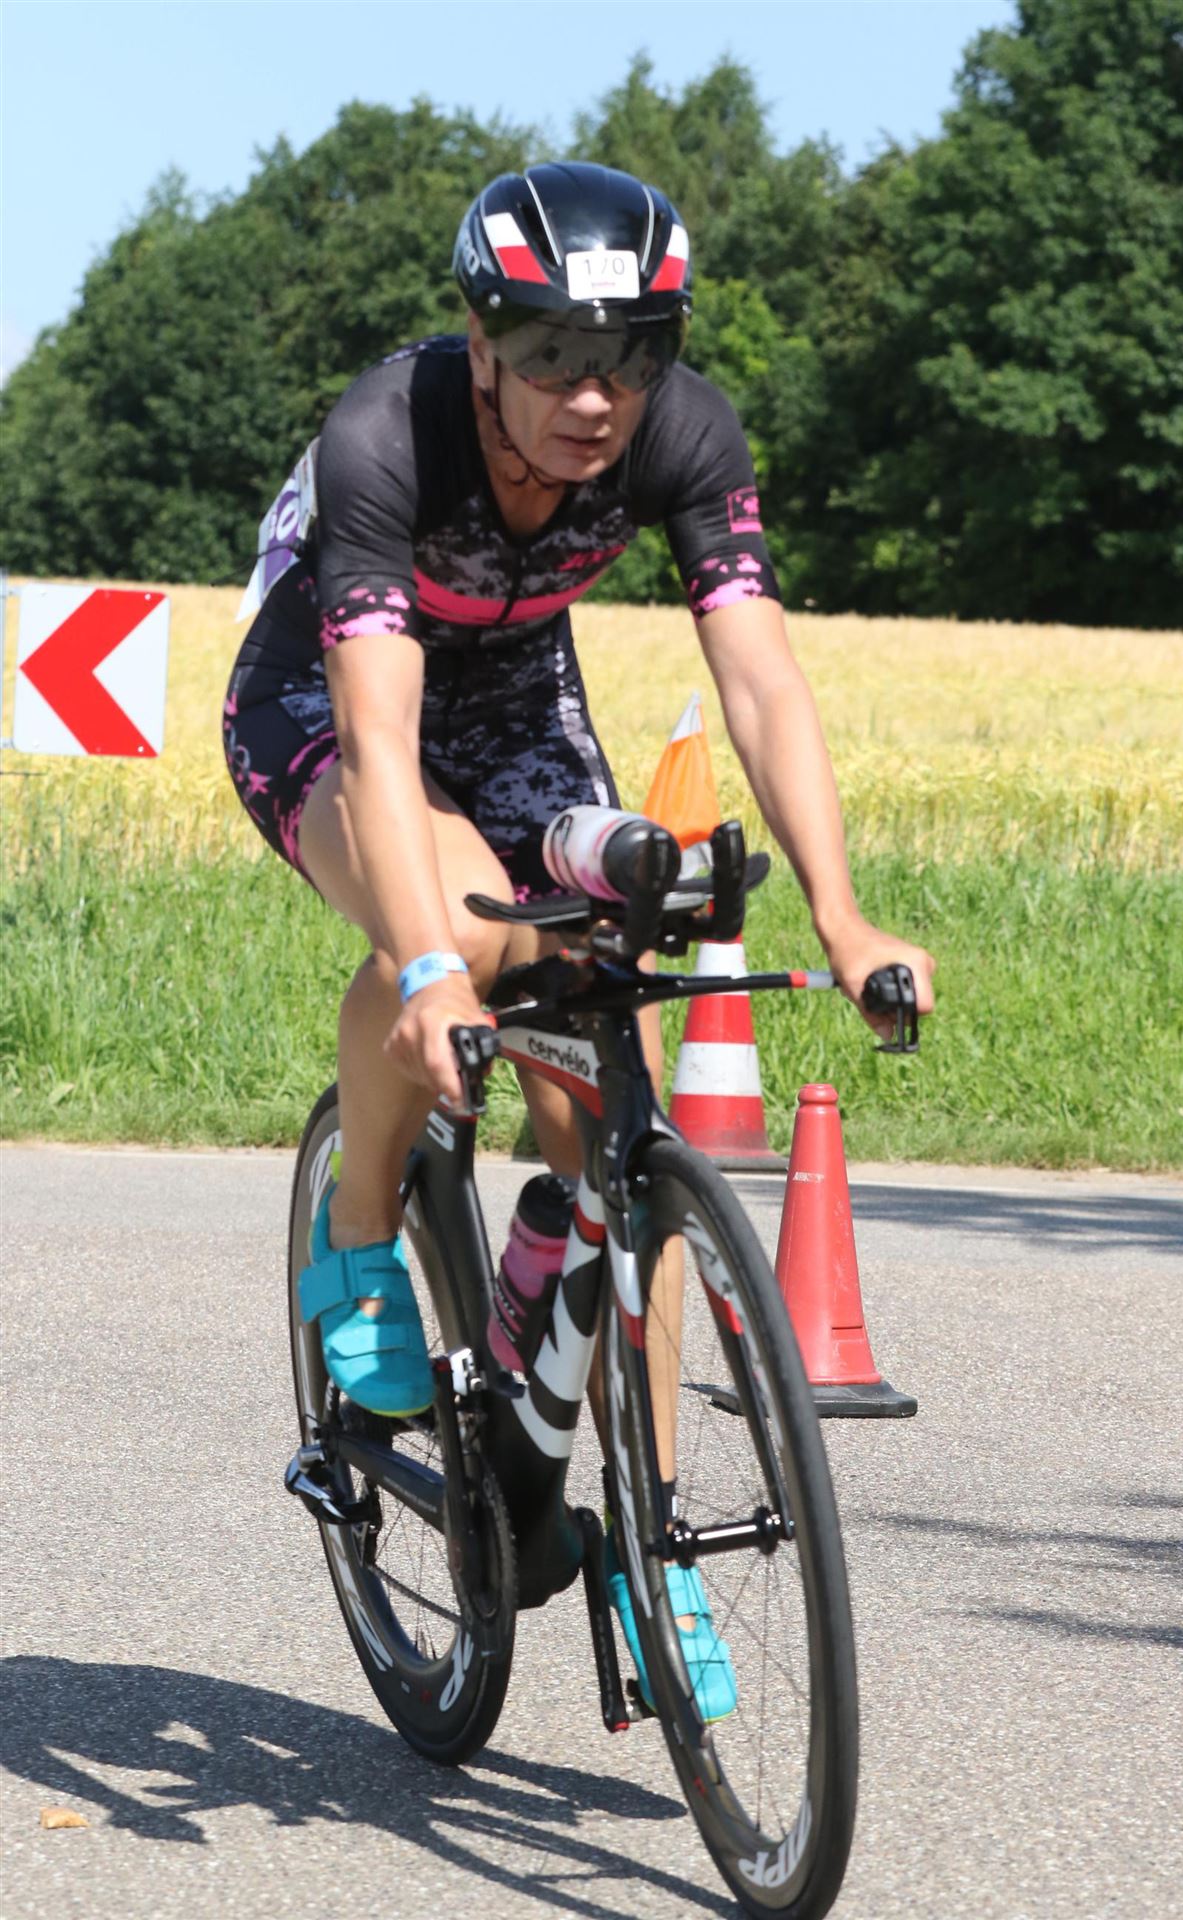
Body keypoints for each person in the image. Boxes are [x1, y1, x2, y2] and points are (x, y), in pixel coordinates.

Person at [224, 160, 935, 1719]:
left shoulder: (685, 433)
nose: (594, 397)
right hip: (328, 699)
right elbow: (380, 729)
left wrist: (842, 910)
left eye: (630, 357)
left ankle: (654, 1530)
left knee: (614, 1099)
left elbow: (759, 679)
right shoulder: (384, 435)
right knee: (463, 927)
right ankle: (357, 1233)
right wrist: (427, 966)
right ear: (484, 346)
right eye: (551, 355)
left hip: (516, 699)